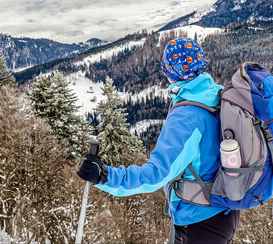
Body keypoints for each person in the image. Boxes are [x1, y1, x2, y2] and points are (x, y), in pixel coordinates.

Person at [77, 37, 240, 244]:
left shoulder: (188, 117)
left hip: (199, 220)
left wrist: (105, 176)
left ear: (169, 72)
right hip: (223, 210)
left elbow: (156, 175)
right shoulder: (215, 94)